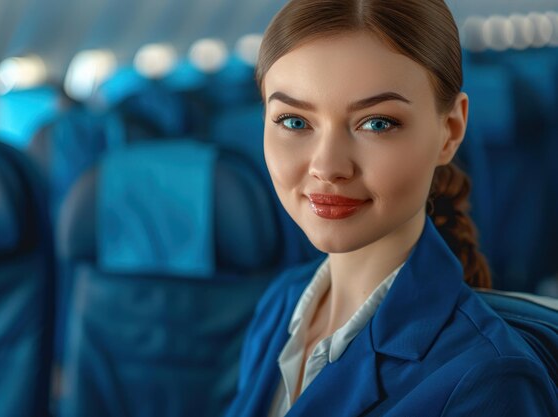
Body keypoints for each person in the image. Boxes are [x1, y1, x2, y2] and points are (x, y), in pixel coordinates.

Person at [224, 0, 558, 416]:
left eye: (377, 123)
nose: (328, 167)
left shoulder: (488, 381)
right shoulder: (282, 302)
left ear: (450, 132)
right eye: (294, 121)